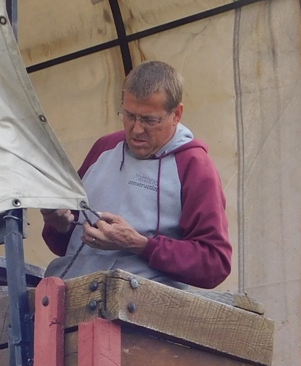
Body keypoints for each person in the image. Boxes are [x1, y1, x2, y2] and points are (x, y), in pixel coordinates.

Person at [40, 60, 231, 289]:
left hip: (141, 305)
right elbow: (63, 245)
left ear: (177, 114)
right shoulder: (104, 148)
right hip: (69, 294)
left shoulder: (194, 166)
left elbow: (215, 263)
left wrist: (140, 245)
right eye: (129, 115)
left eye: (150, 120)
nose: (137, 129)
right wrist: (60, 224)